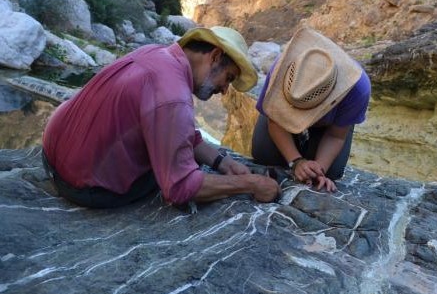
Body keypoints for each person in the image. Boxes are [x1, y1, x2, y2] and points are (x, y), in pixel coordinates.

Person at [42, 26, 281, 208]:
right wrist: (251, 184)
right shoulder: (173, 94)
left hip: (52, 158)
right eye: (228, 78)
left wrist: (223, 162)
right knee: (187, 166)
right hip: (83, 187)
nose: (225, 90)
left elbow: (180, 132)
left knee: (180, 152)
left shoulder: (156, 53)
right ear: (215, 56)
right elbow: (179, 187)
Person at [251, 26, 371, 192]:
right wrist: (296, 161)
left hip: (327, 128)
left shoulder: (357, 89)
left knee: (333, 172)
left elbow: (335, 136)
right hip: (281, 121)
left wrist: (317, 171)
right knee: (265, 155)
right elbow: (275, 120)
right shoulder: (281, 70)